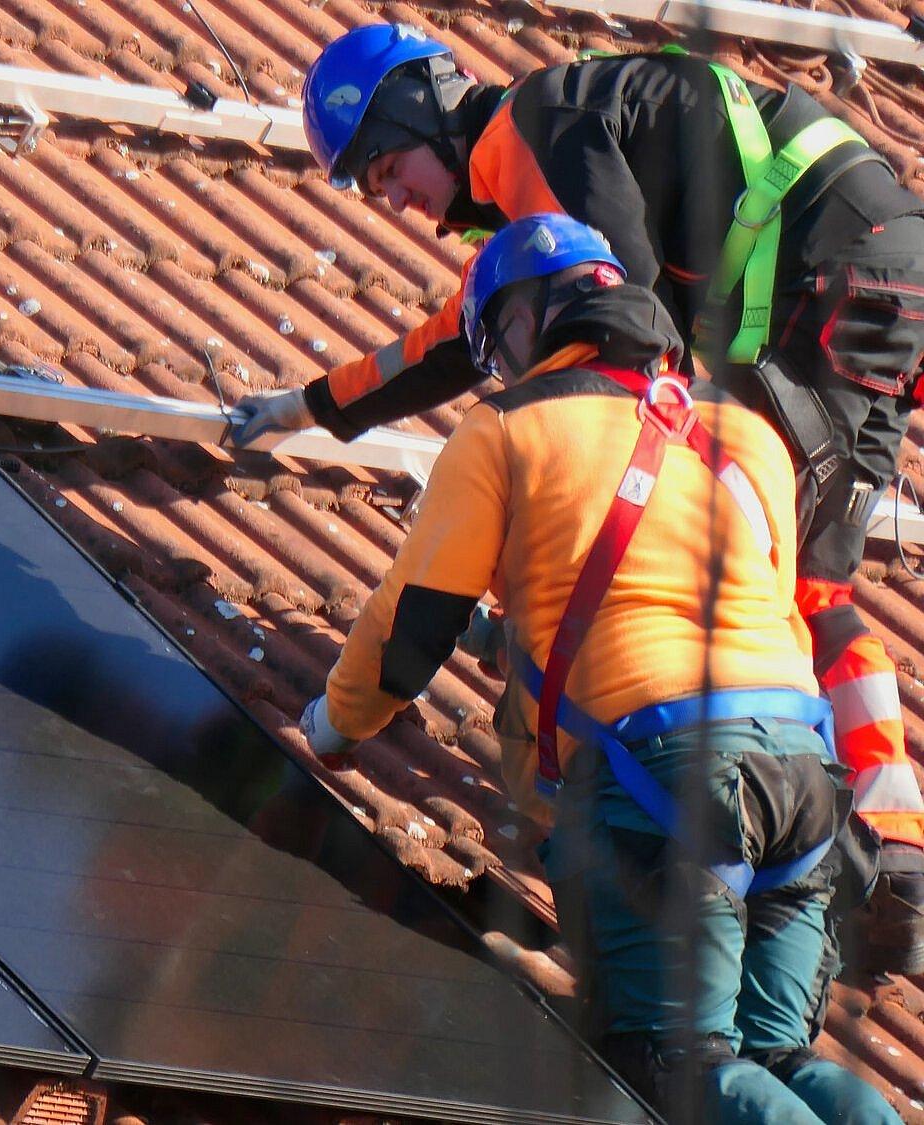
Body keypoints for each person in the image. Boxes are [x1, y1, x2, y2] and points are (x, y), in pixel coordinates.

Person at [240, 23, 924, 974]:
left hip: (829, 269)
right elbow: (459, 334)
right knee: (814, 584)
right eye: (369, 186)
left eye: (387, 165)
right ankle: (894, 851)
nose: (392, 199)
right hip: (877, 269)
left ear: (419, 110)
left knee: (722, 517)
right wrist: (312, 405)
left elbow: (624, 320)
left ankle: (796, 834)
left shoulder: (527, 129)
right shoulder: (539, 147)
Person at [300, 213, 896, 1123]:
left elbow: (413, 623)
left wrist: (334, 724)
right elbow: (770, 611)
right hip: (806, 781)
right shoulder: (745, 433)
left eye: (498, 334)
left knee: (676, 1068)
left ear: (530, 317)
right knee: (778, 1054)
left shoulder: (503, 429)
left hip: (675, 785)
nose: (499, 358)